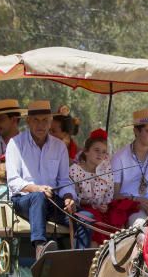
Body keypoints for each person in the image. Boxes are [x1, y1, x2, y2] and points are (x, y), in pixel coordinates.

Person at [5, 99, 89, 257]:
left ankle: (80, 257)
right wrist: (36, 188)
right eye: (36, 120)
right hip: (24, 200)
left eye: (45, 120)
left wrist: (69, 197)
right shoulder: (15, 143)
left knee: (86, 218)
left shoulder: (59, 146)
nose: (40, 125)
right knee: (38, 197)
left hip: (51, 200)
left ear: (51, 121)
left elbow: (64, 181)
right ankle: (40, 248)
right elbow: (13, 181)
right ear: (28, 121)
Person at [69, 128, 117, 245]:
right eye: (96, 150)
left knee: (116, 218)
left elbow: (109, 193)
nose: (100, 154)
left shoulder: (106, 171)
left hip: (102, 212)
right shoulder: (75, 171)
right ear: (86, 151)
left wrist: (105, 205)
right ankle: (95, 253)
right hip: (84, 210)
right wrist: (91, 203)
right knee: (93, 217)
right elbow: (73, 198)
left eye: (104, 151)